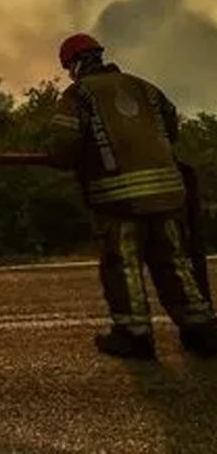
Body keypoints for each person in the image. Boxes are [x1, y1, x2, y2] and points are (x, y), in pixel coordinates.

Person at [49, 33, 217, 359]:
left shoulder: (79, 94)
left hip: (118, 199)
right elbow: (171, 128)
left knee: (122, 265)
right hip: (168, 193)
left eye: (70, 67)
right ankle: (200, 329)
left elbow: (62, 147)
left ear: (75, 64)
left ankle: (134, 334)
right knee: (174, 262)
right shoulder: (145, 87)